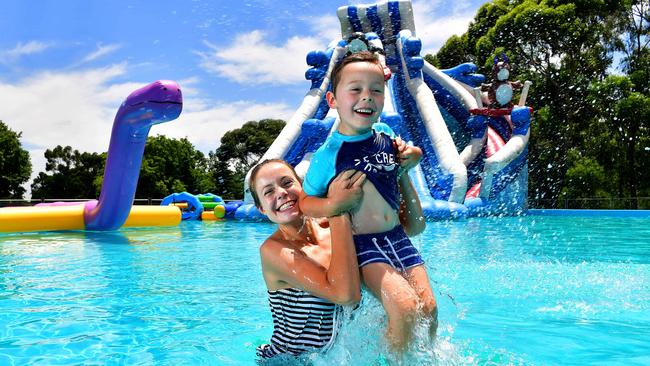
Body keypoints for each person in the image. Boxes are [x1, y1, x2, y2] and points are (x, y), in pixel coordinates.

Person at [300, 51, 438, 350]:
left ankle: (426, 356)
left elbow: (404, 157)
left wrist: (412, 156)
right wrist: (332, 206)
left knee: (428, 308)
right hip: (363, 246)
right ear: (333, 101)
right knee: (404, 307)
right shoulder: (328, 156)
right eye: (355, 89)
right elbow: (305, 203)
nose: (367, 97)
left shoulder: (386, 134)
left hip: (398, 237)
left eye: (376, 90)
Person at [250, 159, 367, 362]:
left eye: (287, 183)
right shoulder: (273, 251)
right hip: (288, 361)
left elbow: (409, 228)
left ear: (302, 186)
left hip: (335, 356)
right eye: (268, 192)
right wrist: (337, 209)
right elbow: (346, 295)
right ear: (261, 208)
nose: (281, 193)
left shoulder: (332, 228)